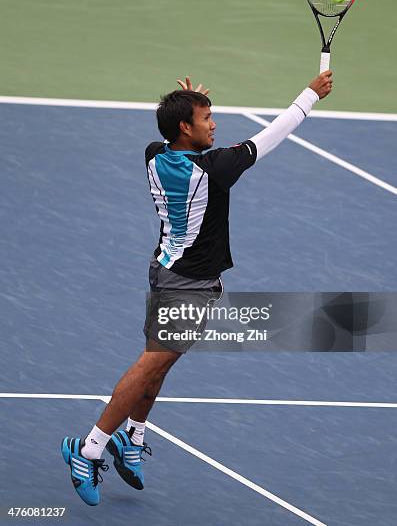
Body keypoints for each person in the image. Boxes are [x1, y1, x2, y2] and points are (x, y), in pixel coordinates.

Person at [61, 71, 333, 505]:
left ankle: (133, 435)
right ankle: (88, 448)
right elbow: (273, 135)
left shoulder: (155, 155)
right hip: (185, 284)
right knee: (151, 364)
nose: (214, 124)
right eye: (206, 118)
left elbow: (173, 138)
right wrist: (310, 95)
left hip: (173, 271)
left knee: (161, 365)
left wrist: (188, 106)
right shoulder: (214, 169)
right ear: (185, 128)